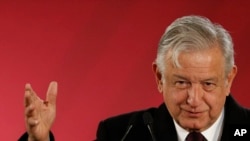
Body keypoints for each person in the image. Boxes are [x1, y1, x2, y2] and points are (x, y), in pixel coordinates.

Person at [19, 15, 250, 141]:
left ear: (228, 80)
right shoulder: (120, 133)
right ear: (160, 77)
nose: (194, 99)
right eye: (182, 82)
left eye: (208, 84)